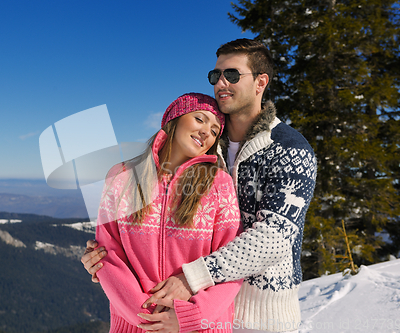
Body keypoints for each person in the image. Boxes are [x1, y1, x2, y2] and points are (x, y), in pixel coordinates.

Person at [82, 39, 317, 333]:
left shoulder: (288, 149)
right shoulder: (205, 149)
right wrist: (106, 267)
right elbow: (131, 244)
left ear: (260, 82)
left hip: (259, 316)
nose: (220, 82)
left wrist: (192, 281)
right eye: (215, 75)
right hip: (197, 314)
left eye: (232, 74)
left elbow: (273, 239)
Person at [94, 92, 243, 333]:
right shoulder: (122, 177)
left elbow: (233, 264)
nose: (207, 132)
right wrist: (145, 316)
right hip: (134, 325)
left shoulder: (218, 184)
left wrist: (190, 316)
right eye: (199, 119)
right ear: (174, 119)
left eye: (215, 130)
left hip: (201, 326)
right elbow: (108, 254)